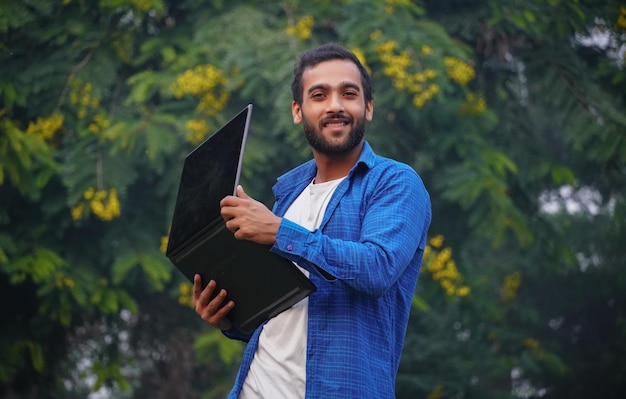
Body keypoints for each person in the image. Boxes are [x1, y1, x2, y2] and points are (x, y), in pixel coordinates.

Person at [193, 43, 431, 399]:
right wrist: (230, 319)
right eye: (319, 95)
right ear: (298, 111)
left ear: (367, 107)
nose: (335, 105)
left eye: (348, 94)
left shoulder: (395, 182)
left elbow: (377, 267)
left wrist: (278, 232)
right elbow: (285, 315)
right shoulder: (288, 197)